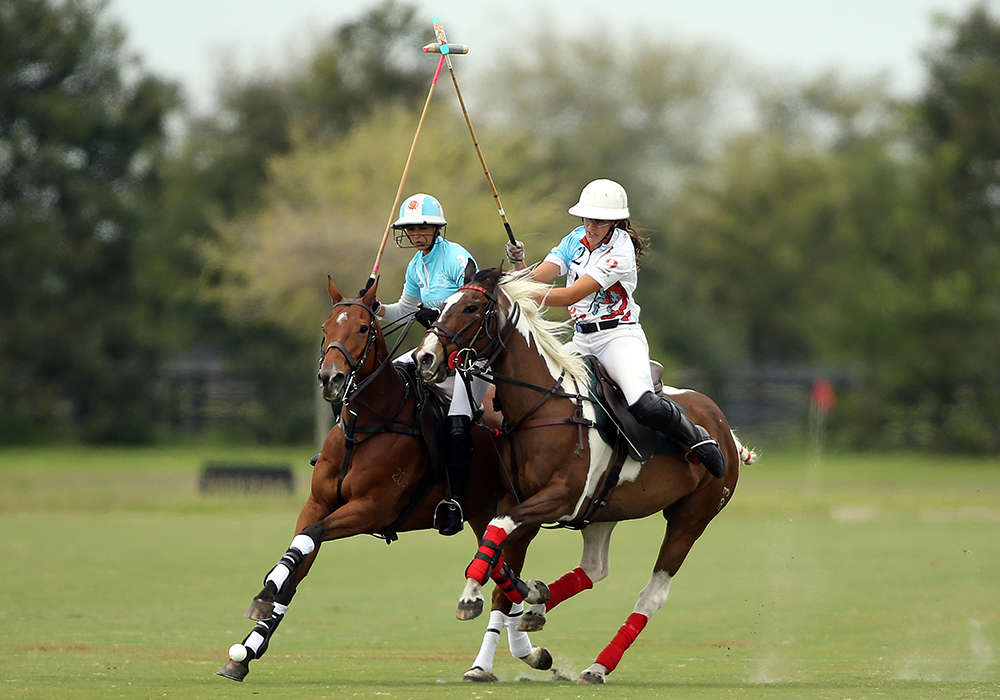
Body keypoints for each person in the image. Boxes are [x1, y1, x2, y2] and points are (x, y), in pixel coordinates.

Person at [505, 179, 726, 477]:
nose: (591, 226)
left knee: (643, 403)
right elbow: (538, 279)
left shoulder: (619, 251)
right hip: (582, 339)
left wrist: (512, 291)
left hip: (618, 337)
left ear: (614, 222)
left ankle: (697, 438)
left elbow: (569, 295)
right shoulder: (574, 239)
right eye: (587, 218)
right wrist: (519, 268)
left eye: (599, 221)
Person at [375, 193, 491, 534]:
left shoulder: (458, 258)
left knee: (457, 422)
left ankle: (454, 501)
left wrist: (438, 314)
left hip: (470, 356)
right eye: (411, 228)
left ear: (437, 227)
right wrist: (375, 305)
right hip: (436, 349)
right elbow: (405, 310)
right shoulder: (416, 266)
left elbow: (473, 305)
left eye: (423, 226)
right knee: (384, 377)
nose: (417, 233)